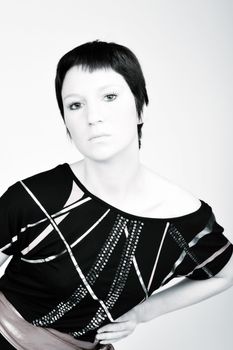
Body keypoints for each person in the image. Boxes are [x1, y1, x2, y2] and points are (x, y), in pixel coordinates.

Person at [0, 39, 233, 350]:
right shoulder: (33, 197)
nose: (92, 116)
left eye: (109, 97)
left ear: (140, 108)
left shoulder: (184, 217)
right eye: (75, 104)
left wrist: (142, 313)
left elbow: (225, 273)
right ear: (66, 121)